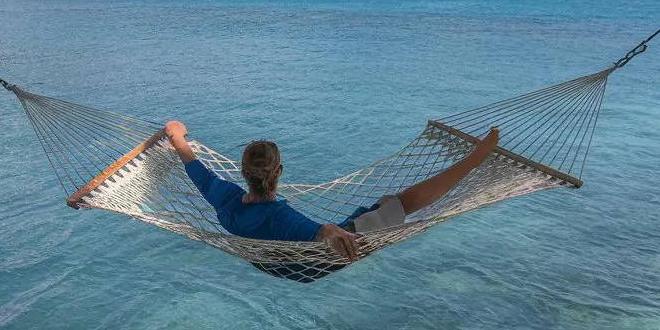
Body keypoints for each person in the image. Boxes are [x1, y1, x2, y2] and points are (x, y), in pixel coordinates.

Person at [164, 121, 499, 264]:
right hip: (320, 261)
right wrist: (332, 231)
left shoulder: (223, 197)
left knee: (381, 206)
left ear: (242, 173)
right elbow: (318, 231)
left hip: (273, 261)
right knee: (402, 204)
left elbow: (192, 162)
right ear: (278, 172)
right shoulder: (282, 217)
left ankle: (374, 214)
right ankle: (473, 161)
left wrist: (176, 135)